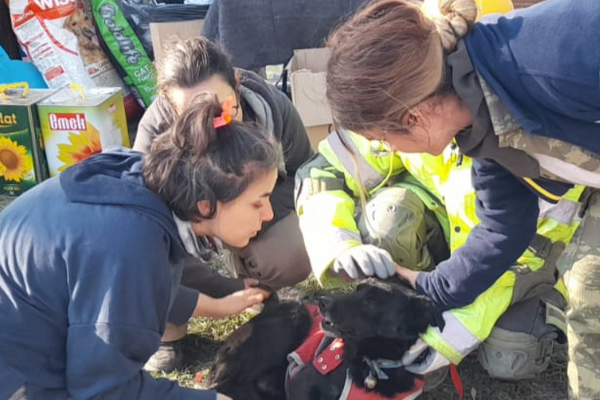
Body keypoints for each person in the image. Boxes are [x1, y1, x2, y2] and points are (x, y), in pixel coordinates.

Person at [324, 0, 600, 398]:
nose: (389, 150)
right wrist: (430, 287)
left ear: (413, 117)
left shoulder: (546, 58)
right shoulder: (480, 130)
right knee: (591, 293)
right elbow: (504, 227)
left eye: (384, 139)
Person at [0, 92, 283, 400]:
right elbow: (103, 390)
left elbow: (127, 289)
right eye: (258, 202)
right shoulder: (130, 246)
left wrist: (213, 307)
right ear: (205, 205)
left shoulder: (146, 183)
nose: (268, 215)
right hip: (16, 372)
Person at [295, 127, 581, 392]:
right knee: (388, 222)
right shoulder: (399, 103)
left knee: (510, 354)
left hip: (529, 264)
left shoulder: (534, 132)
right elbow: (323, 171)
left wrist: (463, 322)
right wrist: (338, 245)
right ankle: (410, 333)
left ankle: (532, 312)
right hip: (443, 227)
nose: (388, 144)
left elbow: (530, 247)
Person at [135, 37, 314, 371]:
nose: (218, 121)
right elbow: (148, 239)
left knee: (290, 251)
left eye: (225, 106)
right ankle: (169, 331)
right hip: (186, 226)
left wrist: (247, 207)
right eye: (195, 114)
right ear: (171, 110)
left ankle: (259, 291)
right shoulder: (154, 132)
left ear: (238, 83)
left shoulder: (271, 107)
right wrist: (219, 287)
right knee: (153, 261)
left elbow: (305, 172)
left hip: (244, 209)